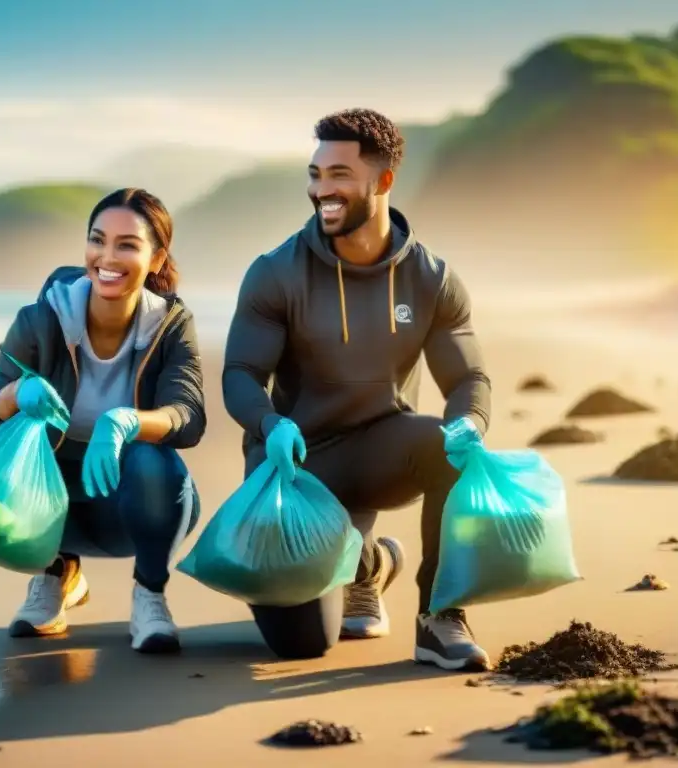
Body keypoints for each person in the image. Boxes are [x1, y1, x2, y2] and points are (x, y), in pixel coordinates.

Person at [221, 108, 493, 671]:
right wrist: (270, 424)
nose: (323, 189)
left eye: (339, 174)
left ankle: (440, 619)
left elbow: (467, 377)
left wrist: (471, 422)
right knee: (302, 644)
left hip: (377, 452)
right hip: (293, 464)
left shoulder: (431, 278)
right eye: (316, 174)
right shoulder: (275, 273)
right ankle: (368, 565)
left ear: (383, 181)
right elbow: (240, 374)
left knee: (452, 446)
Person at [0, 187, 205, 654]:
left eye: (127, 245)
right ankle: (54, 575)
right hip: (50, 511)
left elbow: (189, 417)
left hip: (133, 508)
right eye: (98, 240)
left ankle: (149, 596)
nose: (107, 257)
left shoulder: (171, 324)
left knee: (154, 461)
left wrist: (125, 423)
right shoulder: (41, 321)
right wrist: (16, 393)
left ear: (156, 260)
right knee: (3, 469)